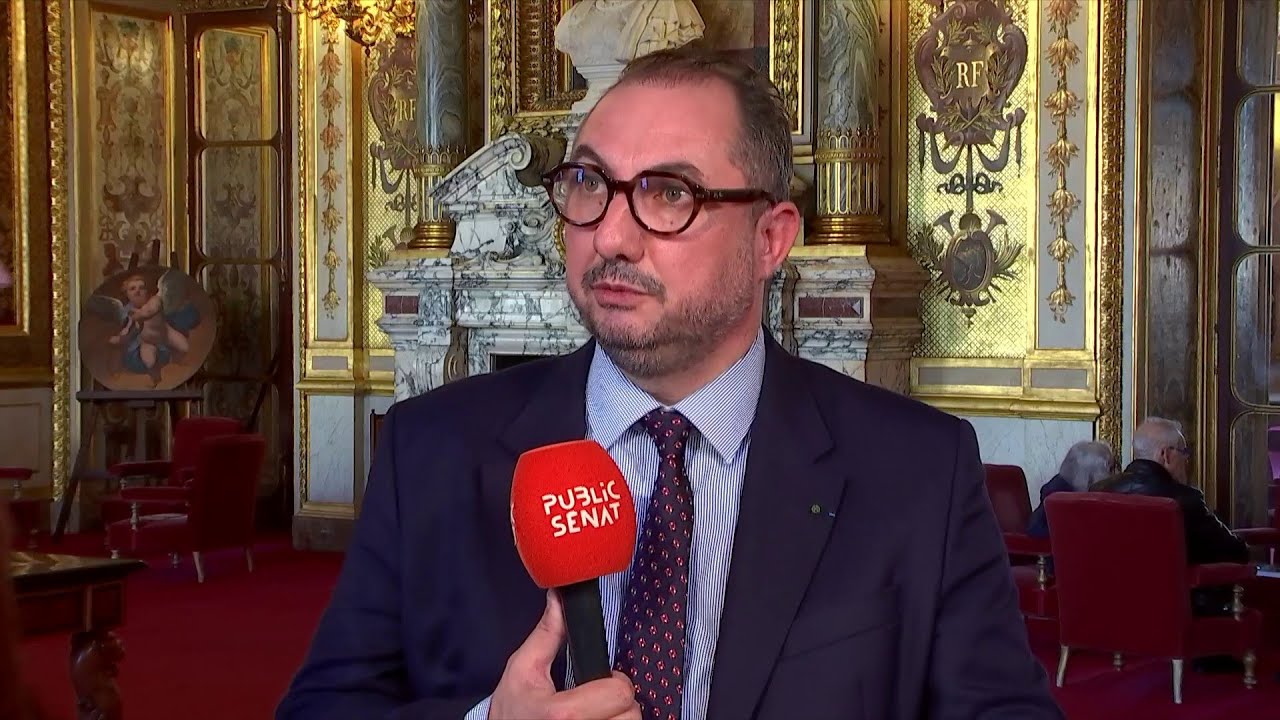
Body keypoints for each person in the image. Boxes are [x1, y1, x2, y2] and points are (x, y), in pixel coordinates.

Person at [277, 46, 1061, 720]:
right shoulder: (431, 450)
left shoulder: (917, 471)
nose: (611, 236)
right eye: (589, 182)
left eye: (670, 194)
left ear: (770, 239)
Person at [1096, 417, 1249, 619]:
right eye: (1183, 452)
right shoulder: (1184, 500)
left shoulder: (1099, 491)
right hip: (1174, 614)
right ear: (1166, 455)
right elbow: (1235, 552)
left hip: (1110, 610)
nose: (1187, 460)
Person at [1026, 440, 1114, 538]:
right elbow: (1035, 529)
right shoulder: (1057, 493)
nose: (1112, 474)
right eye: (1109, 469)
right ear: (1092, 471)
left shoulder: (1076, 485)